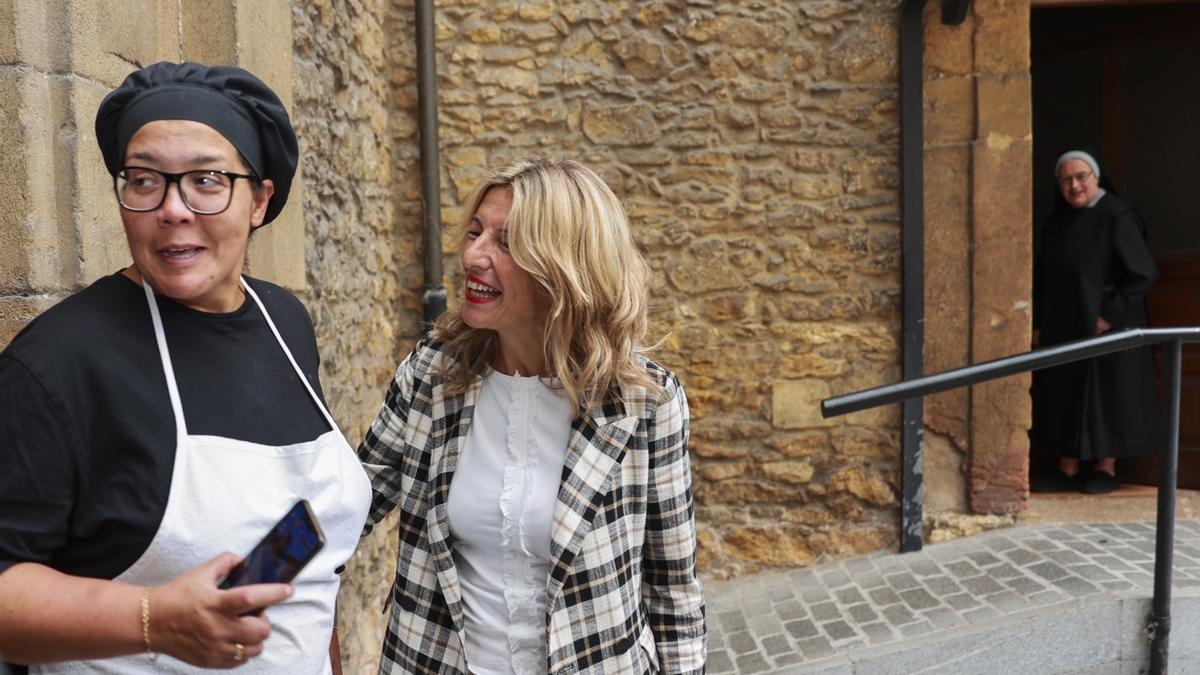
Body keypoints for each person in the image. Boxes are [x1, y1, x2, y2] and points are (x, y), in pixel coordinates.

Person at [0, 62, 370, 672]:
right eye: (145, 180)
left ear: (260, 200)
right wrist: (152, 620)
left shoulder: (284, 322)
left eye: (206, 180)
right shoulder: (58, 363)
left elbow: (306, 581)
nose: (173, 208)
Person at [358, 158, 706, 674]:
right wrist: (246, 575)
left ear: (564, 265)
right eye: (475, 233)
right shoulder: (431, 376)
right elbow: (344, 505)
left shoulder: (644, 403)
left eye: (505, 242)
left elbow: (673, 590)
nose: (473, 256)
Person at [1031, 149, 1159, 495]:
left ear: (1096, 177)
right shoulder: (1055, 225)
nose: (1074, 185)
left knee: (1107, 397)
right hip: (1064, 324)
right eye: (1066, 179)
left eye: (1081, 177)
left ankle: (1106, 466)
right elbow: (1042, 277)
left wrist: (1109, 314)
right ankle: (1067, 468)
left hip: (1108, 326)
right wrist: (1039, 323)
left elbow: (1142, 274)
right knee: (1065, 393)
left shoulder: (1118, 216)